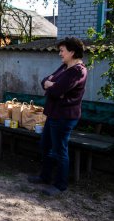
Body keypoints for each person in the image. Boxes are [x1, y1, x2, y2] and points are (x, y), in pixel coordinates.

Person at [28, 37, 87, 196]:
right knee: (45, 145)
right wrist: (52, 85)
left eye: (62, 51)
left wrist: (53, 86)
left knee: (60, 150)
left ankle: (60, 185)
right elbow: (44, 82)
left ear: (72, 52)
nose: (60, 53)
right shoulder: (64, 67)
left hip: (65, 116)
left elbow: (56, 90)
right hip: (53, 113)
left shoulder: (78, 70)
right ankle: (45, 177)